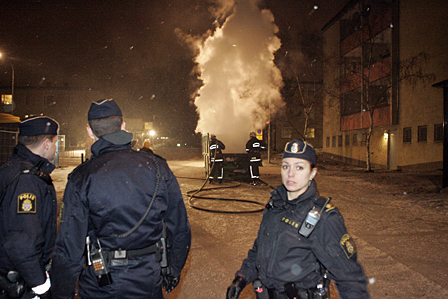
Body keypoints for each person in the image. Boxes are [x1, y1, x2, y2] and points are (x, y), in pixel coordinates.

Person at [50, 99, 191, 299]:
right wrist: (173, 270)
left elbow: (69, 247)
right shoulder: (158, 168)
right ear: (123, 126)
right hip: (147, 279)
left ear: (90, 131)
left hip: (99, 282)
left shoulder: (82, 177)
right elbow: (180, 230)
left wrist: (61, 293)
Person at [227, 139, 370, 299]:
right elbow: (259, 250)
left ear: (313, 173)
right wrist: (242, 277)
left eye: (299, 167)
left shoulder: (323, 218)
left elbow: (349, 278)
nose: (290, 173)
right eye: (286, 166)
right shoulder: (275, 205)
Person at [0, 115, 59, 299]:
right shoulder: (27, 181)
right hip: (20, 283)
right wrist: (41, 287)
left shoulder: (13, 168)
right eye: (55, 142)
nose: (55, 148)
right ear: (46, 144)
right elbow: (21, 242)